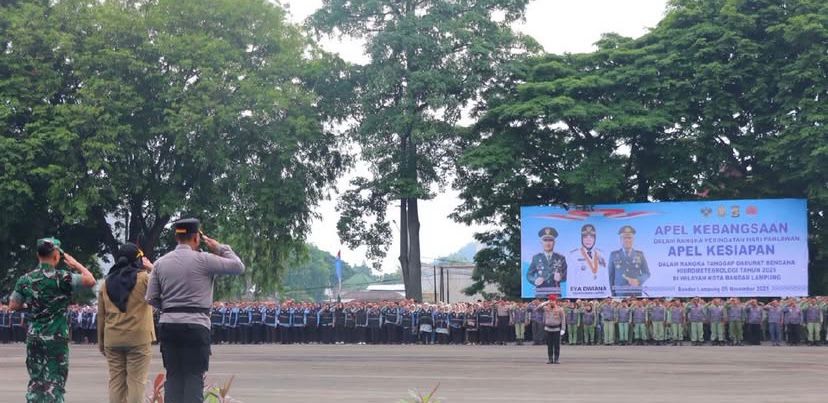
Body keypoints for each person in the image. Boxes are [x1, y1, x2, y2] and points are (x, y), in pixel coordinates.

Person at [146, 218, 245, 403]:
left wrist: (169, 310)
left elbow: (151, 297)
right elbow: (238, 266)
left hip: (169, 325)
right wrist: (220, 247)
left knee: (173, 376)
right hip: (196, 325)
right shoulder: (204, 260)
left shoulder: (160, 263)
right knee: (193, 377)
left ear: (177, 237)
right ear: (196, 238)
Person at [9, 237, 96, 403]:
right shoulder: (63, 278)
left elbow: (13, 304)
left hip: (34, 337)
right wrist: (75, 263)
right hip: (56, 337)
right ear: (56, 256)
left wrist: (30, 305)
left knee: (36, 380)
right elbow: (90, 280)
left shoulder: (25, 279)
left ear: (37, 255)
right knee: (55, 381)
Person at [98, 243, 156, 403]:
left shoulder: (106, 283)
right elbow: (163, 283)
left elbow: (101, 316)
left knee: (116, 383)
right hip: (138, 338)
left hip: (112, 338)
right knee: (136, 383)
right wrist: (151, 267)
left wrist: (101, 342)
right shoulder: (144, 278)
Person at [567, 224, 609, 298]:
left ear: (595, 239)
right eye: (585, 237)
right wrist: (572, 297)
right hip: (581, 295)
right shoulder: (573, 255)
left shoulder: (602, 254)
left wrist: (608, 295)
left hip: (599, 294)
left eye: (591, 237)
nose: (588, 240)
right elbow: (571, 279)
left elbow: (605, 277)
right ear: (581, 238)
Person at [607, 226, 650, 297]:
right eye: (624, 238)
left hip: (636, 293)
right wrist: (613, 294)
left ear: (633, 239)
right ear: (620, 239)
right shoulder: (613, 255)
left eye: (629, 238)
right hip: (620, 293)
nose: (627, 240)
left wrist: (638, 281)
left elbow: (647, 273)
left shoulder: (640, 255)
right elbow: (611, 276)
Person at [527, 227, 567, 297]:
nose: (548, 243)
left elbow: (566, 274)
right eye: (545, 240)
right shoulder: (536, 258)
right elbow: (529, 275)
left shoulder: (561, 258)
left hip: (555, 292)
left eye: (550, 240)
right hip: (540, 293)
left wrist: (561, 277)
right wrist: (535, 280)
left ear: (554, 242)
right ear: (541, 242)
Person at [538, 295, 566, 364]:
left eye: (553, 300)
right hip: (548, 329)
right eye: (550, 300)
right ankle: (550, 359)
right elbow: (537, 309)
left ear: (555, 301)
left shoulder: (560, 309)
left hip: (556, 329)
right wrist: (545, 303)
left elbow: (563, 319)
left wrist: (563, 329)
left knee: (557, 345)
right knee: (549, 345)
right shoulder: (546, 308)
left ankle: (556, 359)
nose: (551, 302)